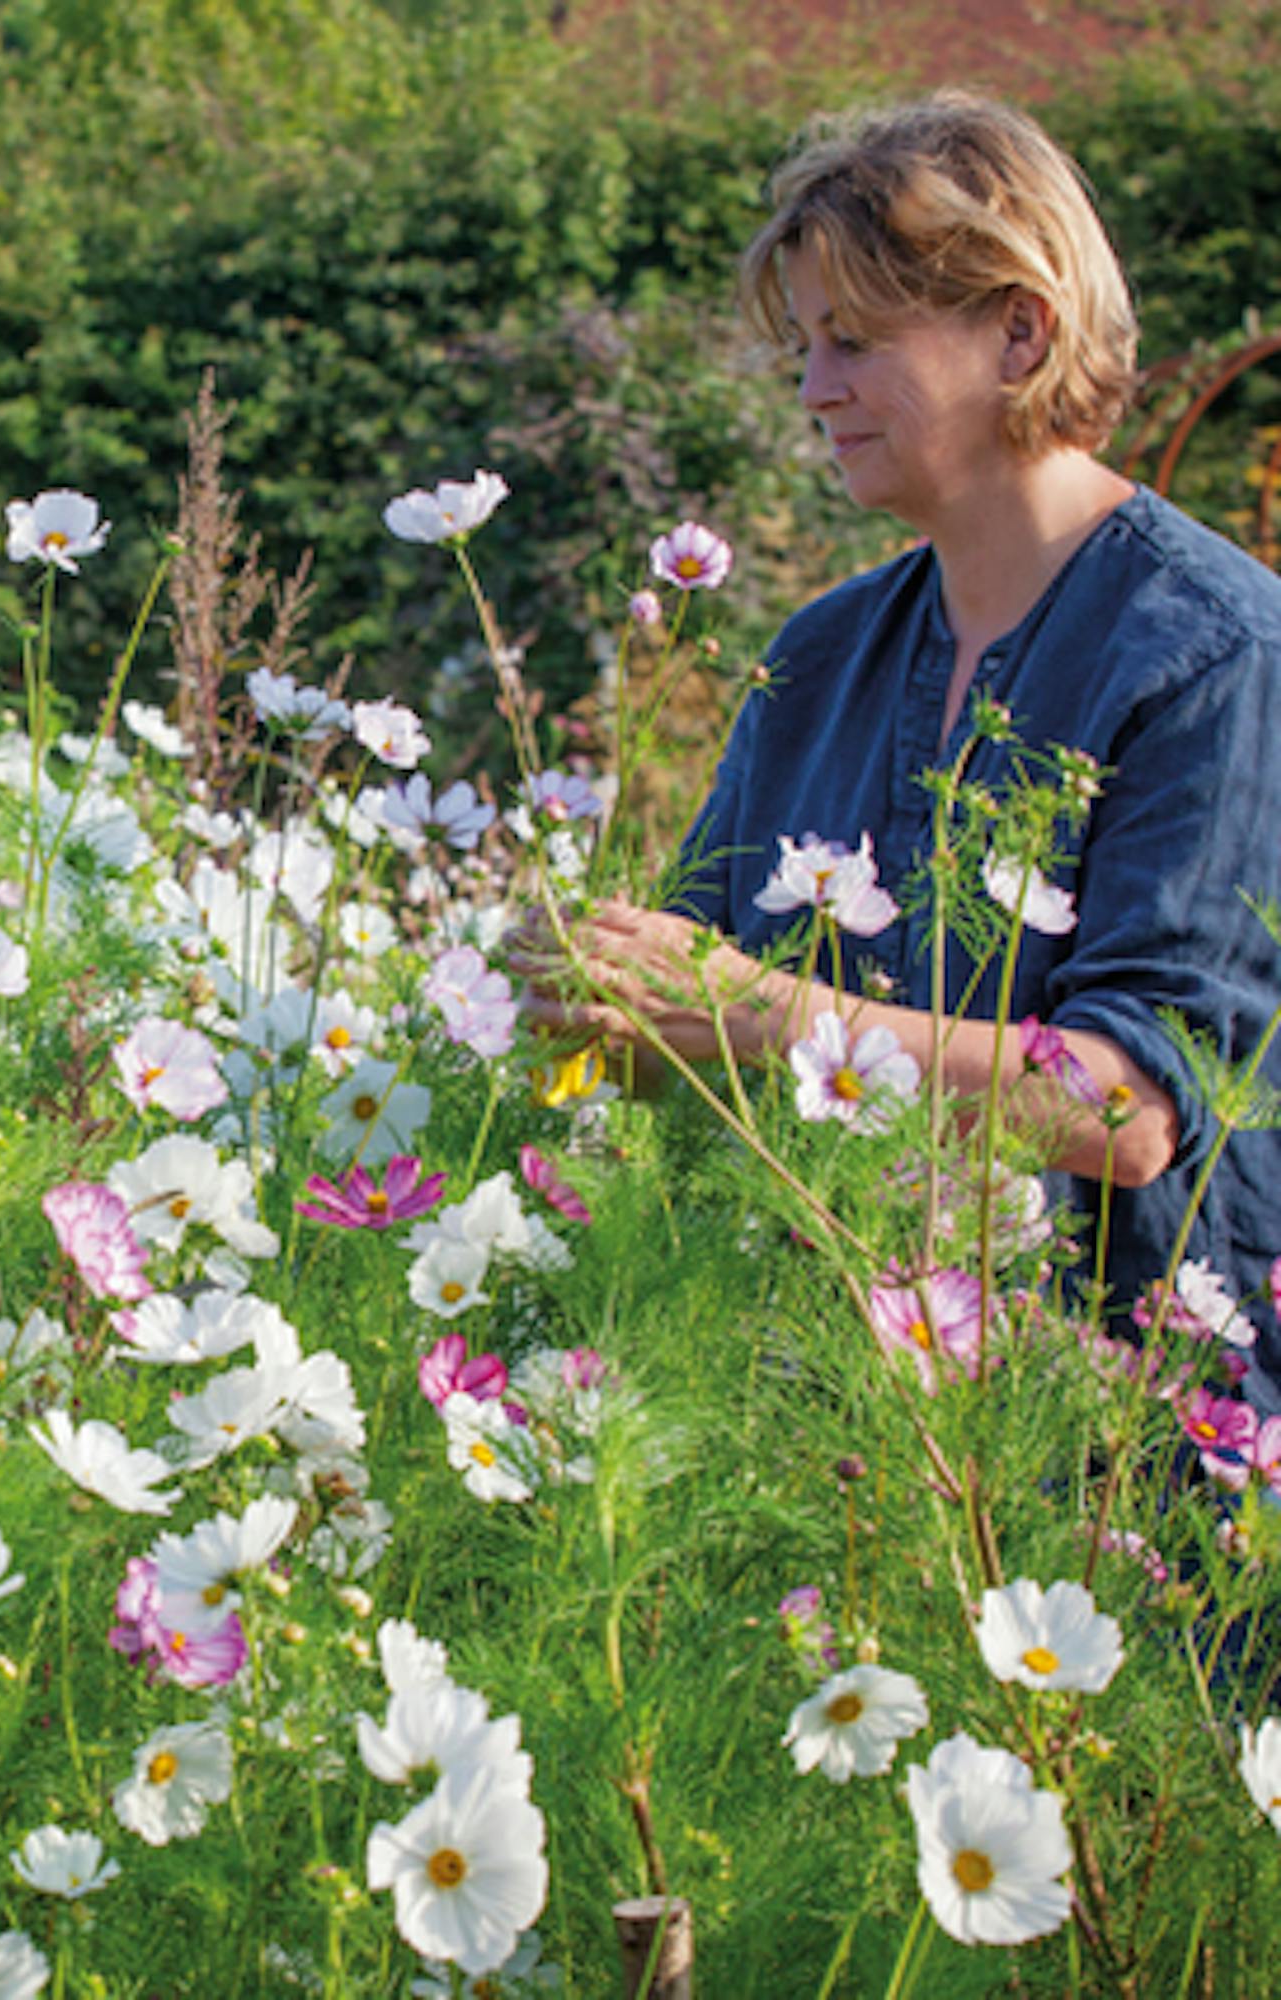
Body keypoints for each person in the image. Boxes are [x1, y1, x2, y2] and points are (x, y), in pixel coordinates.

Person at [514, 92, 1281, 1419]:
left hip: (1118, 1460)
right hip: (840, 1435)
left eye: (856, 342)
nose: (815, 391)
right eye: (808, 346)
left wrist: (767, 1014)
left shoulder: (1217, 657)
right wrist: (598, 998)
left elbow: (1128, 1109)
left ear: (1019, 331)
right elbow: (698, 1001)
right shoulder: (818, 658)